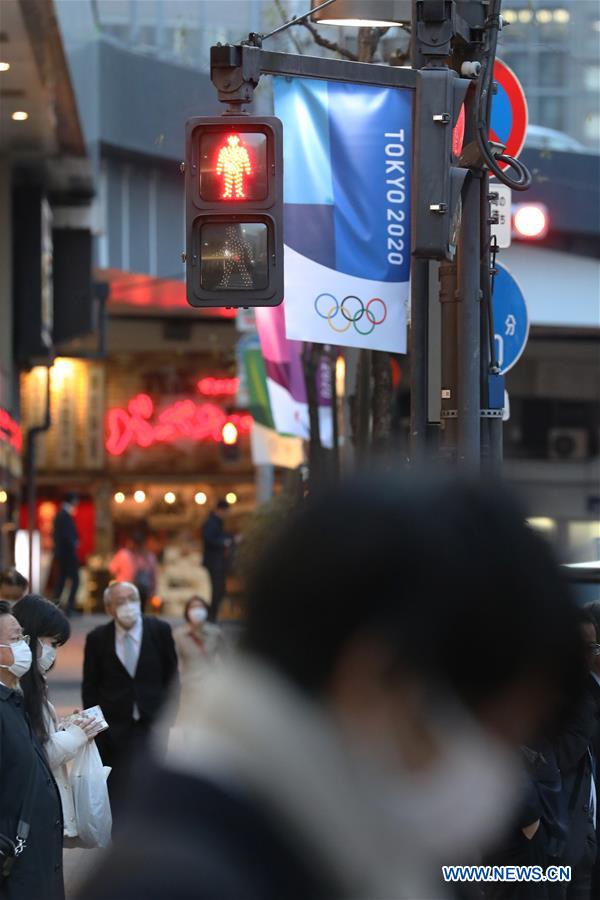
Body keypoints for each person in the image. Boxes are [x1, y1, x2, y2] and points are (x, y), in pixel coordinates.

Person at [80, 475, 586, 900]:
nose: (489, 774)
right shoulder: (182, 881)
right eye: (489, 730)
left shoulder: (338, 844)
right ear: (378, 675)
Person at [81, 581, 179, 817]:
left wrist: (168, 718)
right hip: (112, 726)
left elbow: (171, 677)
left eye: (132, 599)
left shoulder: (160, 631)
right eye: (120, 601)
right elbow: (90, 685)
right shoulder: (98, 638)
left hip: (151, 722)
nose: (128, 606)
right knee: (115, 787)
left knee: (149, 781)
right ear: (109, 608)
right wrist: (96, 725)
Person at [12, 594, 99, 844]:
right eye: (51, 643)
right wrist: (76, 735)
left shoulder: (34, 682)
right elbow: (39, 753)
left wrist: (64, 728)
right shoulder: (18, 688)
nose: (52, 652)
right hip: (30, 814)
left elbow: (39, 736)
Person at [0, 600, 64, 900]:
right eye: (15, 639)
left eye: (24, 638)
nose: (25, 646)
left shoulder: (13, 701)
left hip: (34, 864)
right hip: (15, 868)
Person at [549, 610, 600, 900]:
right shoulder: (548, 699)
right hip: (556, 845)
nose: (585, 655)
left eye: (592, 647)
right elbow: (556, 761)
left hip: (584, 839)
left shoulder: (587, 698)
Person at [173, 596, 224, 684]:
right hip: (188, 685)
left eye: (201, 607)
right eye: (193, 607)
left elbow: (224, 658)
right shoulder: (178, 635)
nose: (197, 610)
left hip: (211, 686)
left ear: (206, 610)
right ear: (187, 611)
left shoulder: (215, 633)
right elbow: (176, 662)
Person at [201, 499, 232, 623]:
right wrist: (224, 542)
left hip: (216, 562)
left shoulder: (215, 522)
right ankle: (211, 615)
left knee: (219, 589)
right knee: (217, 589)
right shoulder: (212, 522)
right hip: (214, 562)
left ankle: (212, 615)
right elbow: (209, 539)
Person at [109, 533, 158, 608]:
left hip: (133, 590)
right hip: (132, 590)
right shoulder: (147, 556)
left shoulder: (124, 554)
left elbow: (112, 570)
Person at [53, 492, 81, 617]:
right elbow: (66, 536)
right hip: (67, 554)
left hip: (63, 554)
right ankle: (68, 607)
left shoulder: (62, 514)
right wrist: (74, 542)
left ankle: (56, 607)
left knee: (62, 580)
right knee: (74, 580)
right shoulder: (64, 515)